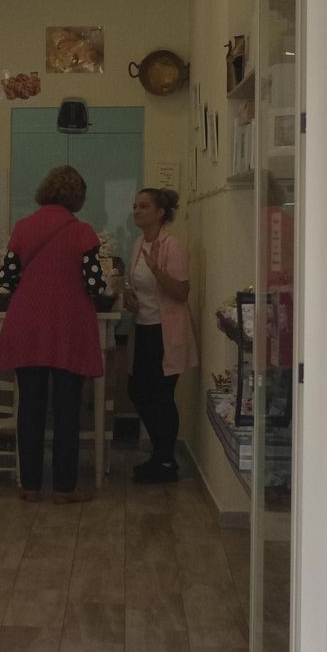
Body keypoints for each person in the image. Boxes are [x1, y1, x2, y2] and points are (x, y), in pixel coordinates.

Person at [0, 166, 109, 504]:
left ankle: (29, 485)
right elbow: (94, 284)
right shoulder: (83, 232)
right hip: (68, 325)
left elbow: (8, 277)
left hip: (28, 323)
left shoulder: (23, 228)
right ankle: (64, 486)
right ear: (78, 197)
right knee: (66, 409)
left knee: (30, 405)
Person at [123, 187, 197, 484]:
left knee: (162, 397)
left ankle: (165, 461)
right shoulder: (139, 243)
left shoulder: (172, 246)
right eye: (135, 206)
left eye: (143, 206)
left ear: (160, 212)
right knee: (138, 392)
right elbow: (135, 285)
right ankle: (159, 453)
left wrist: (157, 271)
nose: (137, 211)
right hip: (143, 327)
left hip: (165, 333)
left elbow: (181, 292)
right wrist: (130, 297)